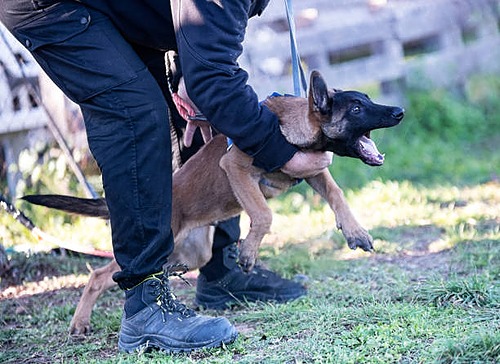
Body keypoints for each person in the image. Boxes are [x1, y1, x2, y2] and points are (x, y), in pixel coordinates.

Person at [0, 0, 333, 354]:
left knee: (201, 107)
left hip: (118, 11)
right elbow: (215, 73)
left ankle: (220, 266)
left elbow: (195, 28)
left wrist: (187, 70)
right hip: (52, 7)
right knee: (136, 113)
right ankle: (146, 306)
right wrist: (283, 155)